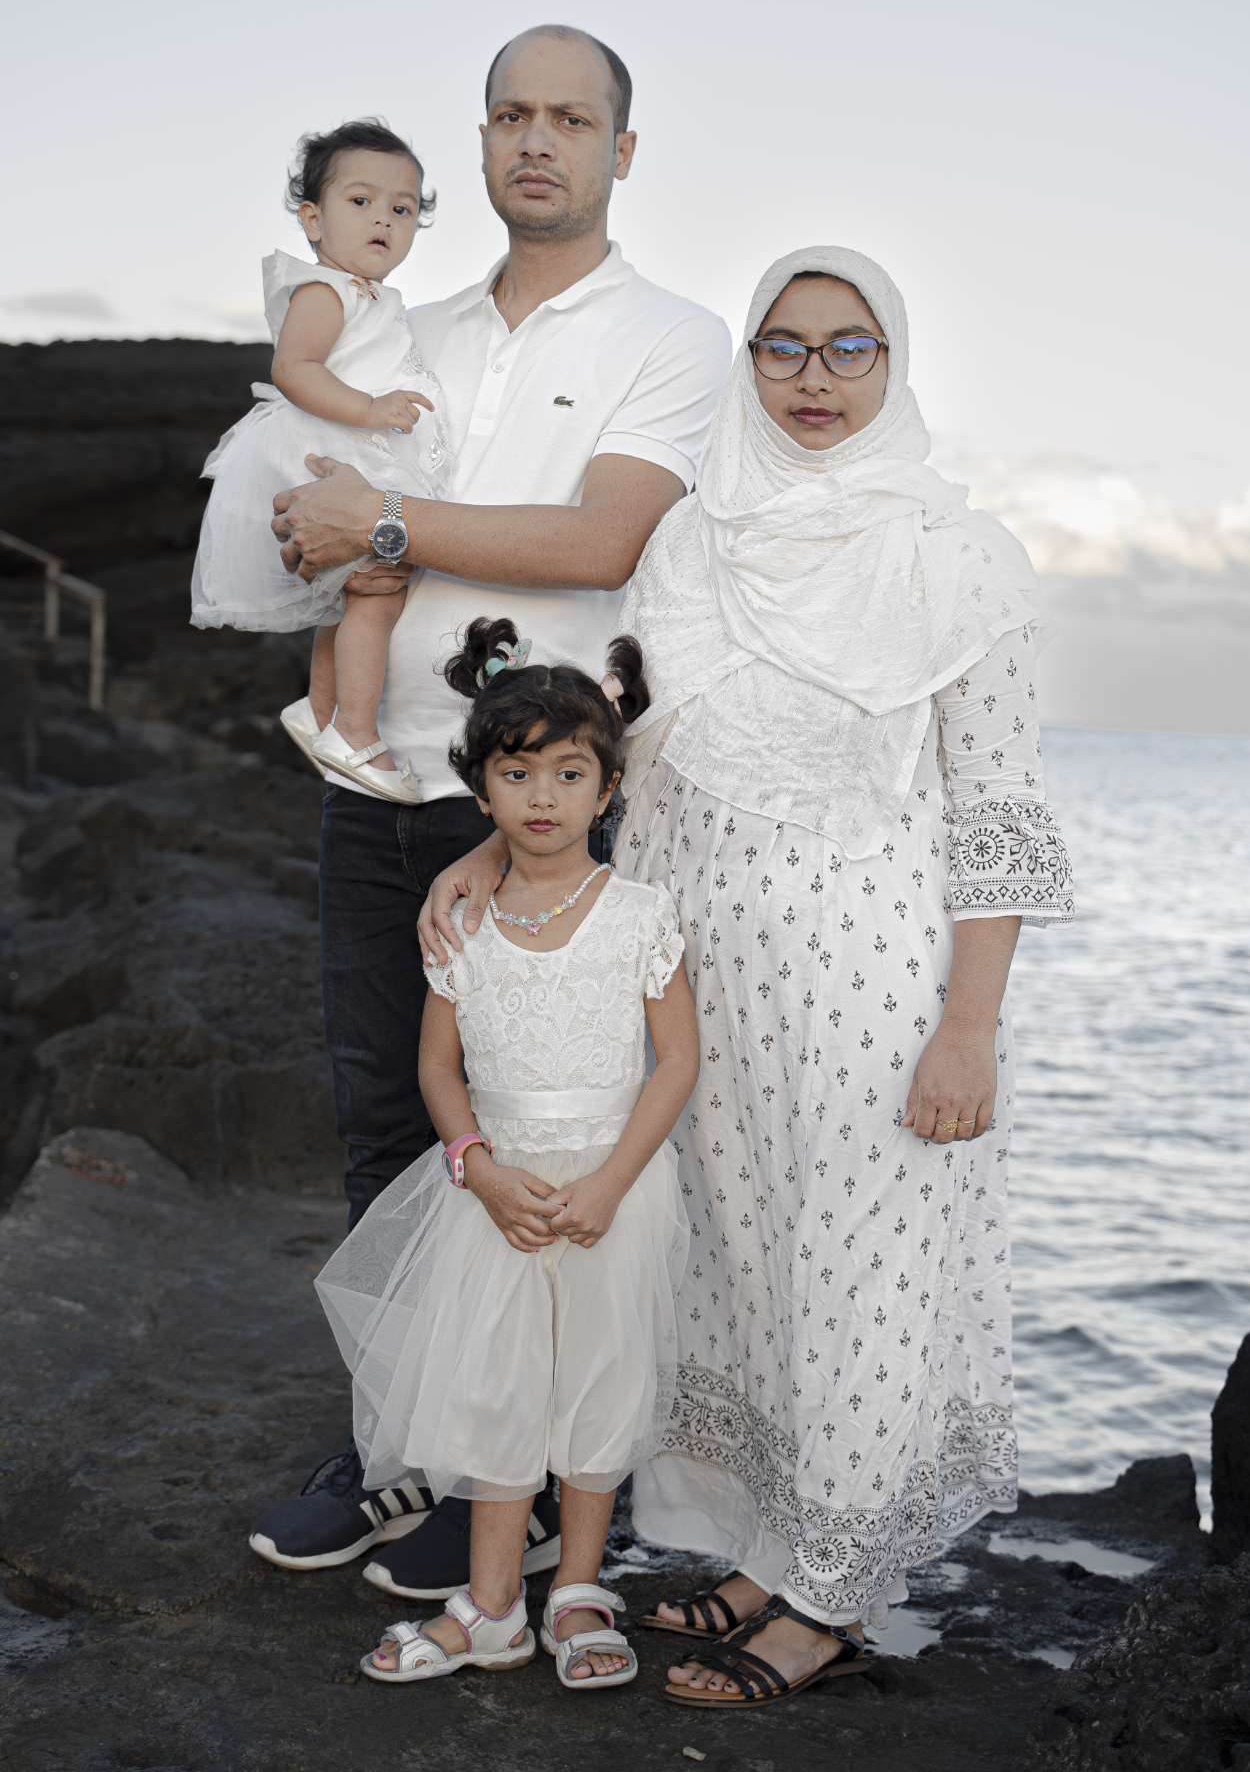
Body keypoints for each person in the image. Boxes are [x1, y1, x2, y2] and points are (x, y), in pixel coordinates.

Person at [419, 245, 1075, 1708]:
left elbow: (1001, 810)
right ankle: (767, 1553)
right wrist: (484, 856)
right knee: (740, 1270)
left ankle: (829, 1599)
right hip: (697, 978)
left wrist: (967, 1027)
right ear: (750, 364)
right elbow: (604, 749)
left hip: (871, 982)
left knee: (857, 1275)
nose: (814, 379)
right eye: (783, 347)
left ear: (895, 367)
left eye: (851, 350)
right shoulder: (691, 544)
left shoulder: (957, 556)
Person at [248, 25, 731, 1594]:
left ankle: (524, 1477)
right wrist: (312, 521)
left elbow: (598, 546)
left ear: (620, 152)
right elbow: (315, 511)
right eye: (513, 115)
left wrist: (378, 515)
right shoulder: (410, 328)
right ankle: (407, 1451)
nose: (541, 140)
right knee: (389, 1133)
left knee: (551, 1137)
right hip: (371, 782)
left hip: (540, 824)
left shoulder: (670, 336)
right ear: (478, 144)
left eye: (573, 118)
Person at [313, 620, 699, 1687]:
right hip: (496, 1194)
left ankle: (576, 1587)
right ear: (479, 793)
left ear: (606, 787)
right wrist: (476, 1166)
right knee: (494, 1389)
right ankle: (491, 1605)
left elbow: (675, 1064)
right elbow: (436, 1069)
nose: (542, 794)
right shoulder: (463, 921)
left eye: (568, 771)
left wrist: (614, 1179)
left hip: (613, 1190)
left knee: (599, 1380)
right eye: (515, 771)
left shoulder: (639, 914)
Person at [191, 118, 450, 799]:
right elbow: (294, 368)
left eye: (401, 209)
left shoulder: (372, 295)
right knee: (376, 591)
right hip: (325, 454)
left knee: (350, 598)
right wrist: (369, 411)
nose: (383, 220)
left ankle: (320, 708)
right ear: (312, 218)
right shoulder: (324, 291)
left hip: (350, 454)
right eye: (360, 201)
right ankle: (356, 732)